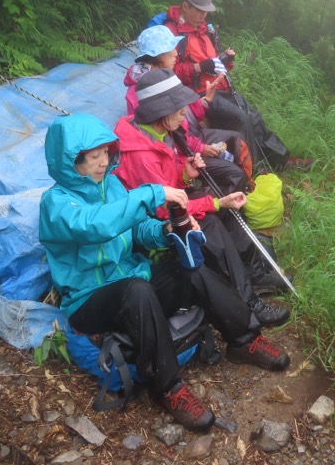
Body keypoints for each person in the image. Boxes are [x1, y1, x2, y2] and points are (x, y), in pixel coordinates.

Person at [38, 113, 290, 432]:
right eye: (92, 157)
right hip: (88, 301)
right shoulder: (55, 203)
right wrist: (153, 193)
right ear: (69, 161)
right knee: (136, 289)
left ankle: (243, 338)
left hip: (131, 283)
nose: (102, 162)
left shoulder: (111, 185)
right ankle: (168, 388)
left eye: (105, 153)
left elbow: (137, 228)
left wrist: (167, 230)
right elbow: (94, 225)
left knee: (189, 269)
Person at [113, 68, 291, 323]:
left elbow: (169, 184)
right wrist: (215, 203)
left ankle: (254, 273)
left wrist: (185, 176)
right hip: (151, 225)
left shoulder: (159, 132)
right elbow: (165, 210)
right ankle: (248, 302)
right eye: (179, 109)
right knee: (211, 222)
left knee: (220, 202)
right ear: (162, 113)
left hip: (168, 205)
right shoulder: (140, 154)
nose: (185, 113)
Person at [151, 0, 315, 173]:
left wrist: (225, 61)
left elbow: (214, 62)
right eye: (199, 10)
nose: (203, 16)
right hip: (199, 93)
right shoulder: (172, 32)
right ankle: (253, 169)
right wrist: (199, 67)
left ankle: (283, 160)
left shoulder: (203, 29)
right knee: (242, 119)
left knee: (255, 117)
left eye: (206, 11)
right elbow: (168, 70)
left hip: (221, 86)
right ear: (185, 7)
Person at [124, 25, 254, 193]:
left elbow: (183, 117)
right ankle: (217, 205)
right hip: (180, 154)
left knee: (236, 137)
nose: (176, 54)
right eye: (170, 50)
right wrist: (200, 148)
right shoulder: (143, 93)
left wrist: (205, 100)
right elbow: (169, 135)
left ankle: (240, 185)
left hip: (189, 137)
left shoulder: (166, 76)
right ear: (156, 55)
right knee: (234, 175)